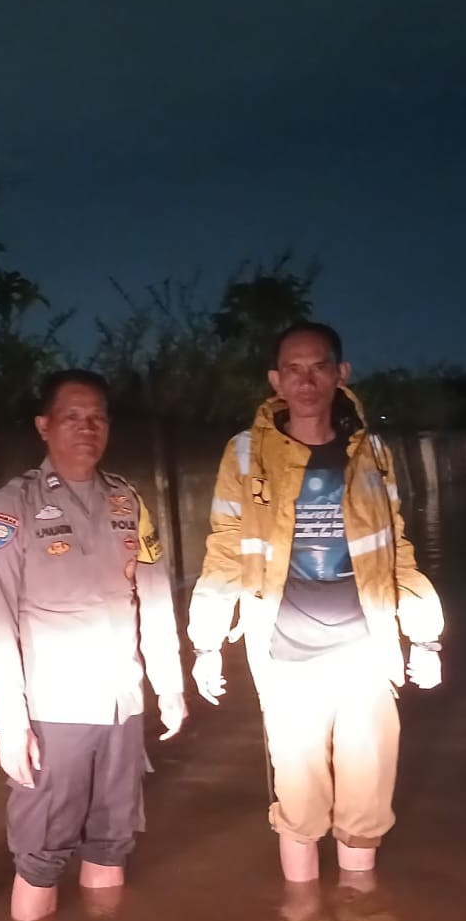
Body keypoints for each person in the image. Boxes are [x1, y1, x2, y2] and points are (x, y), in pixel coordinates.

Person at [187, 321, 444, 883]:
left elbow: (395, 544)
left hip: (365, 658)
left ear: (340, 373)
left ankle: (362, 920)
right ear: (277, 379)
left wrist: (424, 635)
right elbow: (225, 547)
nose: (307, 381)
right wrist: (206, 643)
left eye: (319, 366)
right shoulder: (246, 453)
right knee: (299, 810)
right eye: (294, 369)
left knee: (366, 806)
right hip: (286, 660)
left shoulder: (371, 451)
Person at [0, 369, 188, 921]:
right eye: (72, 416)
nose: (86, 428)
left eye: (97, 417)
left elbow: (156, 596)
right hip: (55, 711)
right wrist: (11, 723)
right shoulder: (12, 506)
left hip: (122, 703)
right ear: (44, 426)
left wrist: (169, 686)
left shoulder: (128, 503)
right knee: (40, 855)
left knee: (112, 842)